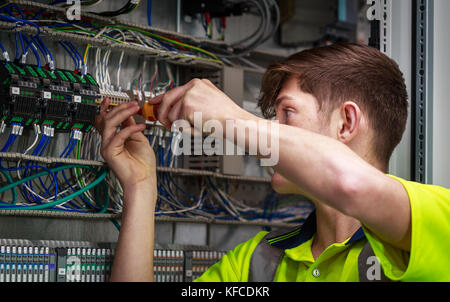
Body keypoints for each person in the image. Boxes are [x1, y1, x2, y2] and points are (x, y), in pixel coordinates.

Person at [95, 43, 450, 282]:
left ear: (346, 123)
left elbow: (350, 185)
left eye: (287, 113)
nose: (271, 133)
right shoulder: (258, 264)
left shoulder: (435, 220)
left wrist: (230, 119)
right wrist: (142, 190)